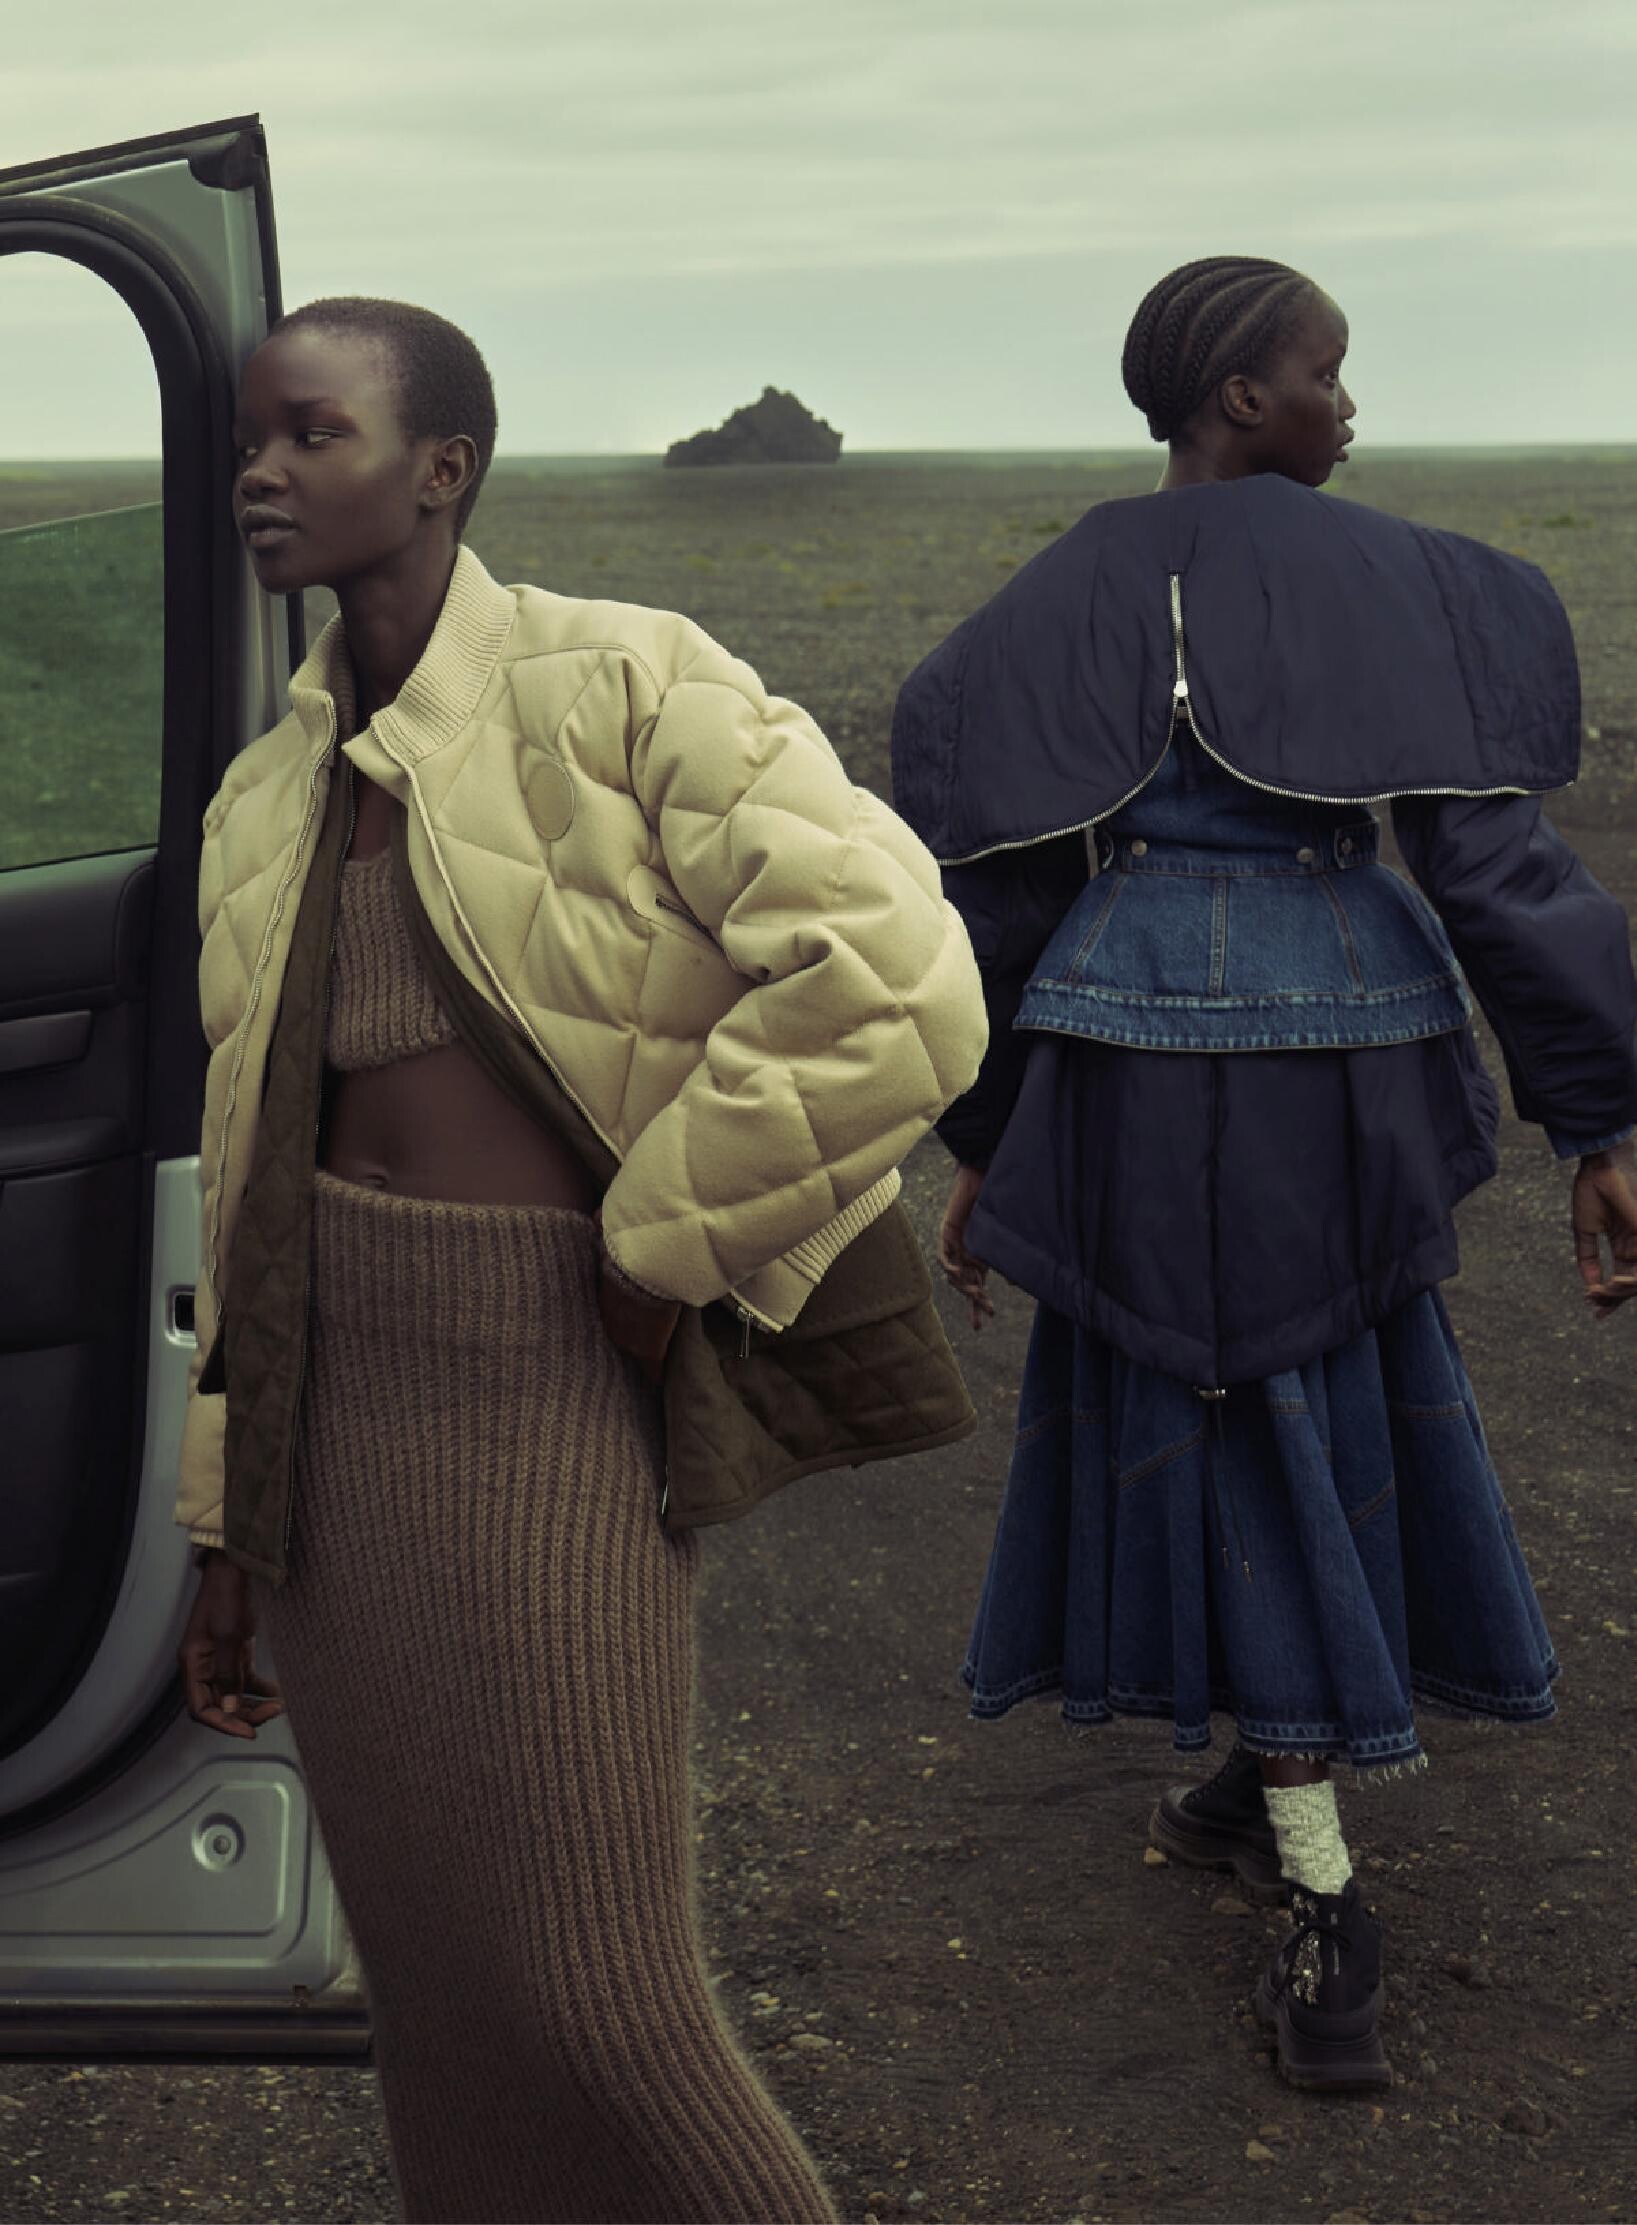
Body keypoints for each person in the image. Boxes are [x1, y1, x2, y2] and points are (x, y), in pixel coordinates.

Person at [172, 296, 987, 2224]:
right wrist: (228, 1528)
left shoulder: (625, 680)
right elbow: (250, 1191)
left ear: (440, 468)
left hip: (540, 1381)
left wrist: (660, 1245)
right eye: (247, 440)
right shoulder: (267, 790)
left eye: (311, 434)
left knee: (598, 2004)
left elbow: (895, 982)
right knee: (440, 2000)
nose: (260, 475)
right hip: (330, 1416)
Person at [891, 254, 1637, 2093]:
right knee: (1301, 1400)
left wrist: (987, 1139)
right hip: (1343, 1060)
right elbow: (1497, 876)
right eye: (1325, 370)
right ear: (1240, 396)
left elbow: (988, 913)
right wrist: (1603, 1122)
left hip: (1124, 1064)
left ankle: (1264, 1780)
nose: (1346, 404)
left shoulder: (1045, 601)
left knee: (1220, 1404)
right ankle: (1320, 1889)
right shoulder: (1406, 579)